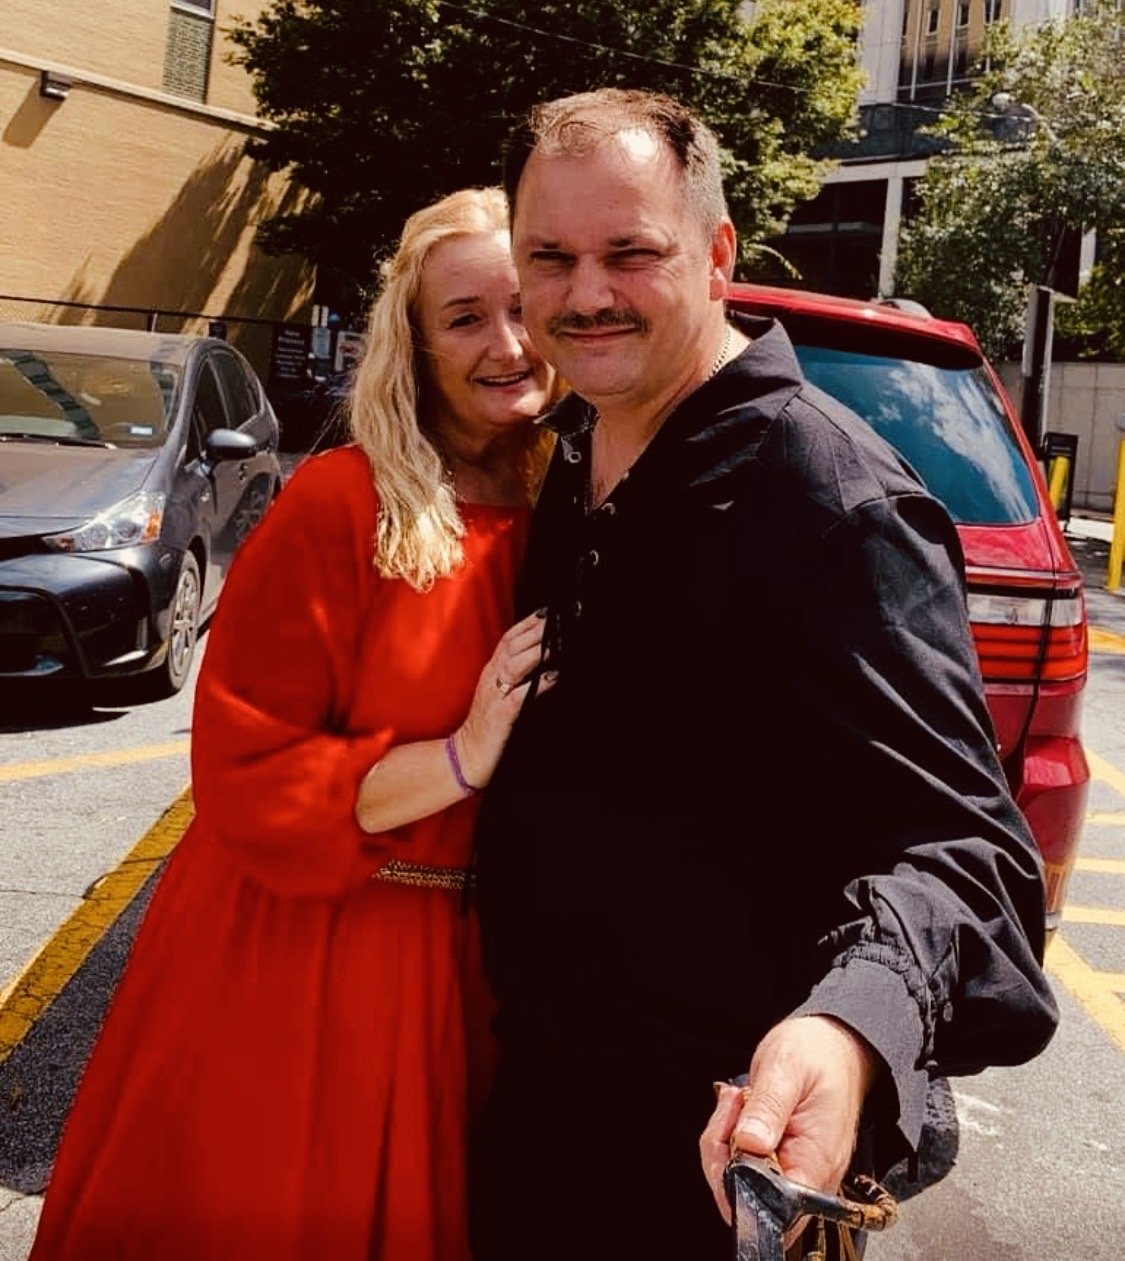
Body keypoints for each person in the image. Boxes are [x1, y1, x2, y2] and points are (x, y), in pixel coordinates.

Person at [469, 89, 1059, 1260]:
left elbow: (973, 863)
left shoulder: (833, 501)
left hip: (718, 1156)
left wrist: (848, 1027)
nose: (585, 293)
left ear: (716, 254)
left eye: (631, 252)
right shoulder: (574, 450)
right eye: (551, 257)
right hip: (535, 1110)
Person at [29, 187, 556, 1261]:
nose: (506, 344)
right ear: (414, 345)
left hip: (480, 962)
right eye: (464, 318)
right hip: (308, 951)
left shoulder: (579, 500)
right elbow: (246, 767)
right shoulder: (343, 503)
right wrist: (459, 758)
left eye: (522, 308)